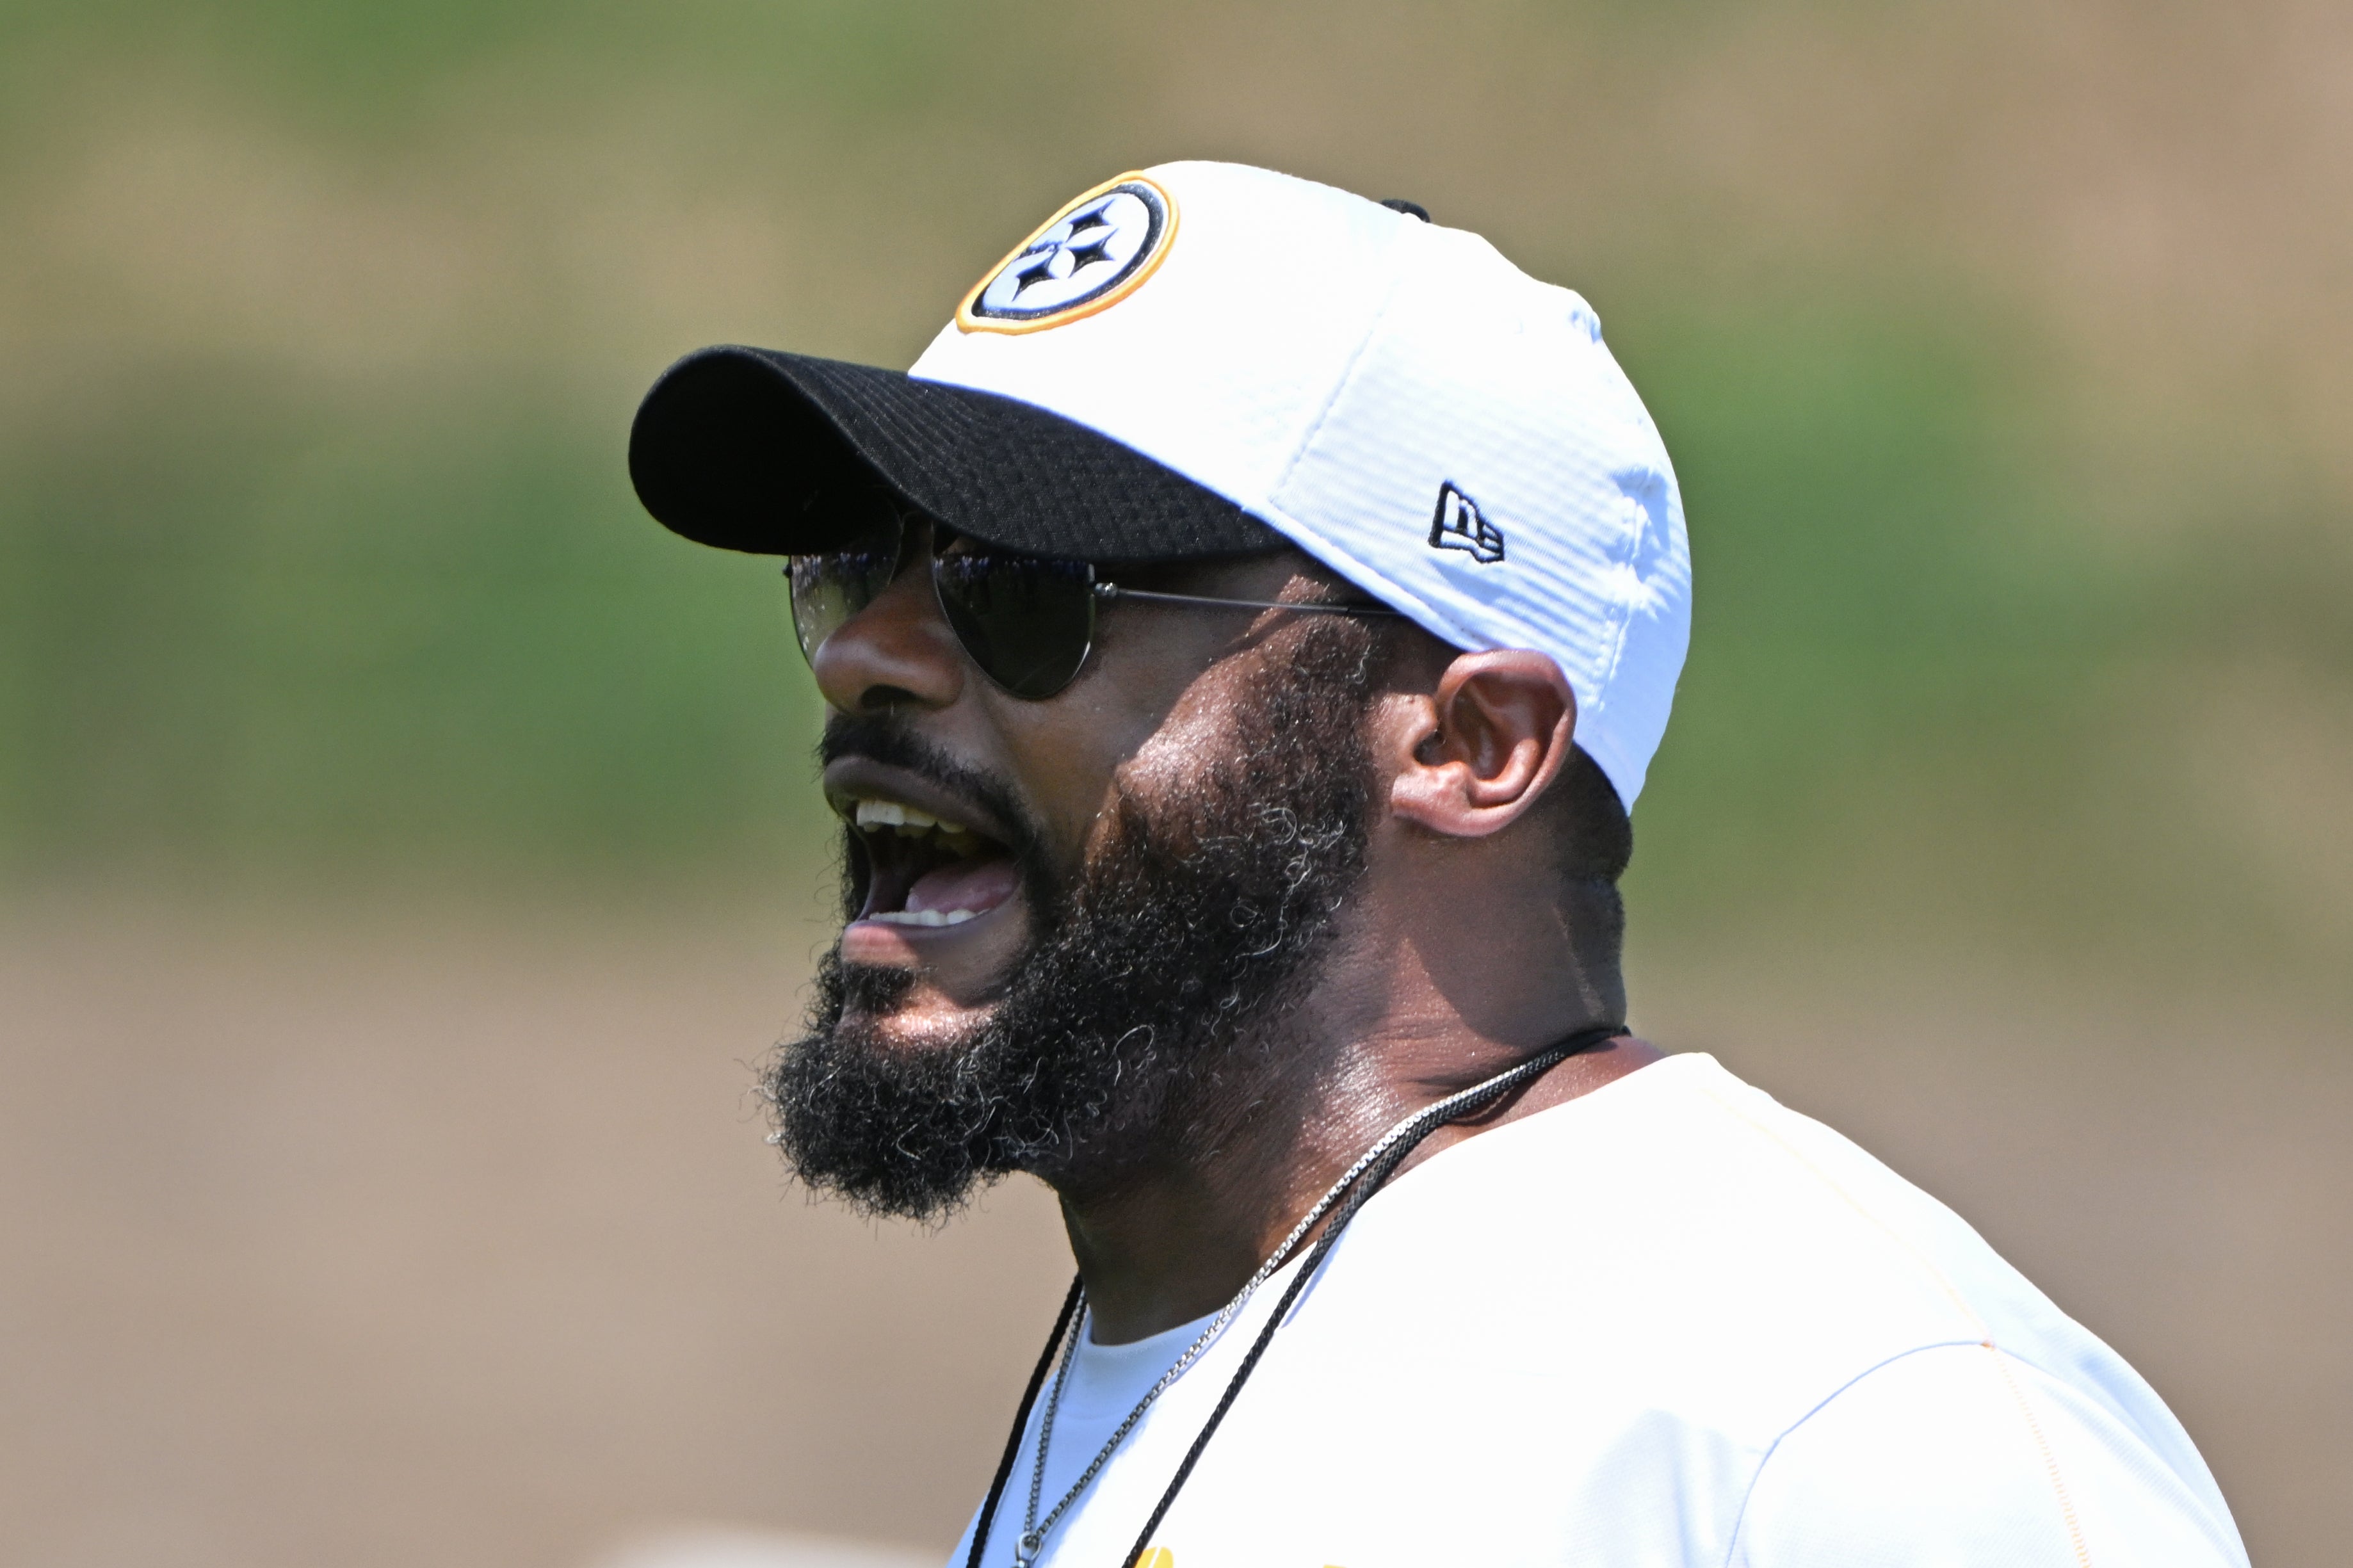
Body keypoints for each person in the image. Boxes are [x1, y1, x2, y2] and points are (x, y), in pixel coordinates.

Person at [627, 162, 2247, 1568]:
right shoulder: (1142, 1372)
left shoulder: (1839, 1425)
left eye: (1019, 581)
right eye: (856, 570)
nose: (868, 661)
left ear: (1469, 745)